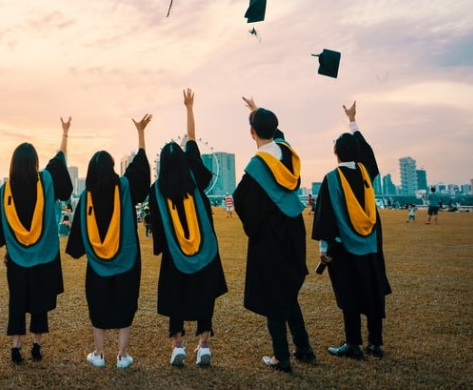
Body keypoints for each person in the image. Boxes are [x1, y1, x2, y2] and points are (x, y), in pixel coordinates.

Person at [146, 89, 228, 368]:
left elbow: (155, 225)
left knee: (176, 298)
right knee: (204, 295)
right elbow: (192, 139)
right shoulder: (193, 176)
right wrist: (189, 108)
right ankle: (204, 345)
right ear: (183, 160)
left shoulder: (156, 191)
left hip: (175, 255)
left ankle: (177, 345)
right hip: (205, 251)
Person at [233, 97, 313, 373]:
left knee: (272, 294)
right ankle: (304, 348)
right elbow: (277, 135)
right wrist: (257, 112)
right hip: (294, 228)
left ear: (251, 132)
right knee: (288, 291)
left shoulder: (257, 167)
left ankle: (282, 357)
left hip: (270, 236)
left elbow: (242, 200)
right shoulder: (288, 153)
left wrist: (254, 229)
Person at [65, 114, 152, 369]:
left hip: (97, 265)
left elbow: (78, 235)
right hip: (127, 259)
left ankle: (99, 353)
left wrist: (80, 249)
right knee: (126, 303)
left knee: (98, 305)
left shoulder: (87, 197)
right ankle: (123, 356)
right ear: (113, 168)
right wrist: (141, 135)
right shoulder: (124, 186)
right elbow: (141, 172)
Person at [0, 117, 74, 365]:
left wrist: (11, 248)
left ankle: (16, 348)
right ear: (35, 162)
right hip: (44, 257)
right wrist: (65, 133)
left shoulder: (6, 191)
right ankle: (36, 346)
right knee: (39, 302)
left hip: (16, 259)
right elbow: (59, 161)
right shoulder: (45, 180)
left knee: (17, 302)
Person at [312, 101, 392, 359]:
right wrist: (353, 120)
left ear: (335, 151)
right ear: (357, 153)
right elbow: (368, 154)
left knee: (349, 293)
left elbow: (325, 217)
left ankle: (353, 344)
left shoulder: (332, 178)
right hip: (370, 246)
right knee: (373, 290)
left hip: (344, 247)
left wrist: (324, 248)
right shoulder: (366, 173)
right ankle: (376, 343)